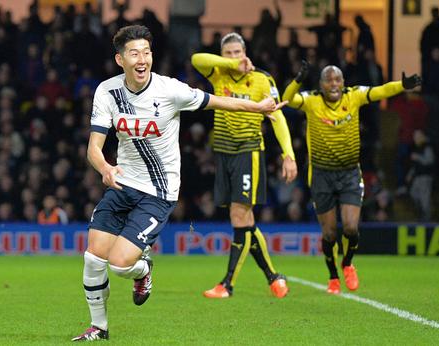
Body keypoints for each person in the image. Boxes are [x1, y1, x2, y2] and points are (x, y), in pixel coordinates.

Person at [72, 25, 286, 341]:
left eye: (146, 52)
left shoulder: (170, 89)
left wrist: (260, 107)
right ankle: (99, 328)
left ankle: (142, 271)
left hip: (158, 193)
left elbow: (219, 101)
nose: (142, 58)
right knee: (92, 258)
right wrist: (104, 167)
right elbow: (94, 147)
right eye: (134, 53)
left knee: (119, 265)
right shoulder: (107, 91)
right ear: (121, 60)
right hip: (122, 183)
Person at [282, 62, 421, 294]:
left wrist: (402, 85)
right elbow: (287, 99)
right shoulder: (312, 100)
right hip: (321, 174)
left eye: (338, 79)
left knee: (350, 227)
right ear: (321, 84)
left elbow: (381, 91)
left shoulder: (353, 96)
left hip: (348, 173)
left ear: (344, 82)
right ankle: (333, 276)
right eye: (329, 80)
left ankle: (347, 263)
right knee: (329, 233)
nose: (334, 84)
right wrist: (298, 79)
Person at [191, 32, 297, 299]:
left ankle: (227, 285)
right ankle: (274, 277)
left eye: (238, 52)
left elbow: (277, 116)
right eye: (228, 53)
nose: (234, 57)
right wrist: (228, 65)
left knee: (239, 216)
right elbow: (196, 59)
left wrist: (289, 154)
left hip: (248, 151)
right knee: (244, 220)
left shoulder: (262, 79)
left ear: (246, 52)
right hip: (223, 152)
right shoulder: (218, 73)